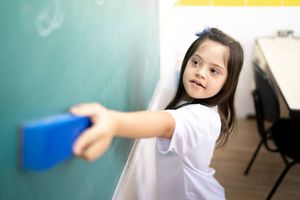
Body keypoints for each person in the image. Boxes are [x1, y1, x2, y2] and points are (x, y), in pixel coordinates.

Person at [70, 27, 244, 200]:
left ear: (228, 82)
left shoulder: (201, 118)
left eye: (214, 71)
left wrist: (114, 122)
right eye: (196, 62)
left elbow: (166, 123)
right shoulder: (192, 102)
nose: (200, 72)